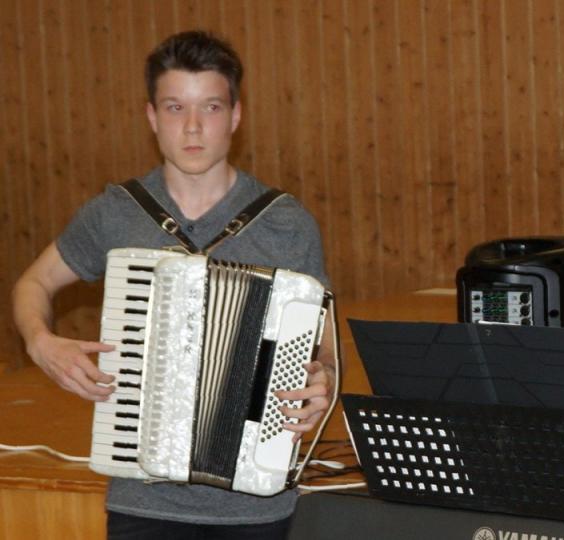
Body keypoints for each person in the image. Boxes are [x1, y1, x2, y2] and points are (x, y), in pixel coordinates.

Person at [12, 30, 333, 539]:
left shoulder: (286, 224)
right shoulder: (116, 214)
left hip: (256, 508)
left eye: (209, 107)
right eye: (174, 107)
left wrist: (323, 385)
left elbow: (325, 347)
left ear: (235, 116)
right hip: (143, 504)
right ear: (151, 117)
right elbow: (34, 283)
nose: (192, 127)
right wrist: (40, 341)